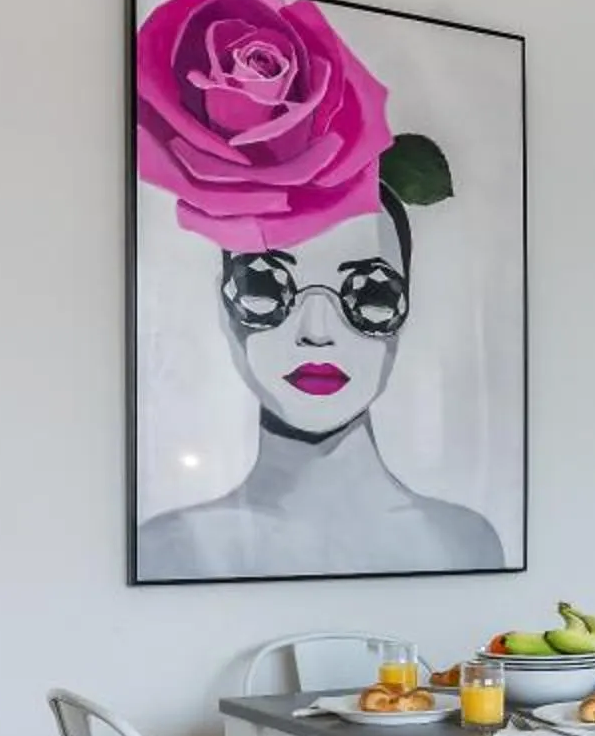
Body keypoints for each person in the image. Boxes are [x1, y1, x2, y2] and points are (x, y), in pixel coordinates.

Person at [137, 186, 504, 581]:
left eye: (372, 292)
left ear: (405, 311)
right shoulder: (169, 548)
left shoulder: (463, 543)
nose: (316, 331)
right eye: (265, 286)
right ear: (225, 310)